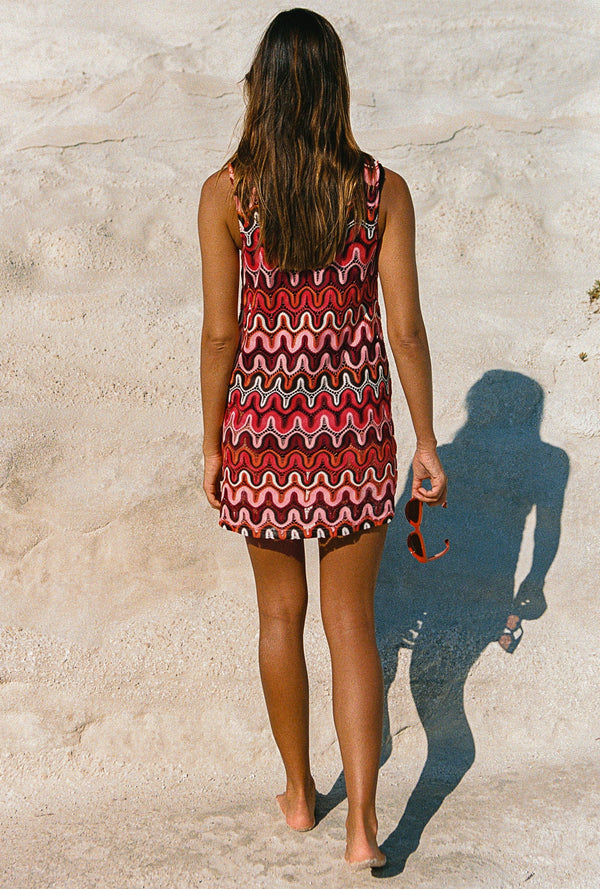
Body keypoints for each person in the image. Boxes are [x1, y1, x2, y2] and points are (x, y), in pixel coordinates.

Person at [197, 8, 447, 871]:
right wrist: (426, 438)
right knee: (352, 626)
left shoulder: (228, 193)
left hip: (263, 433)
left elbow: (221, 333)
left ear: (260, 88)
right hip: (354, 434)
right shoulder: (381, 190)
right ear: (335, 86)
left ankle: (302, 795)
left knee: (279, 615)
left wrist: (212, 441)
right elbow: (404, 329)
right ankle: (363, 827)